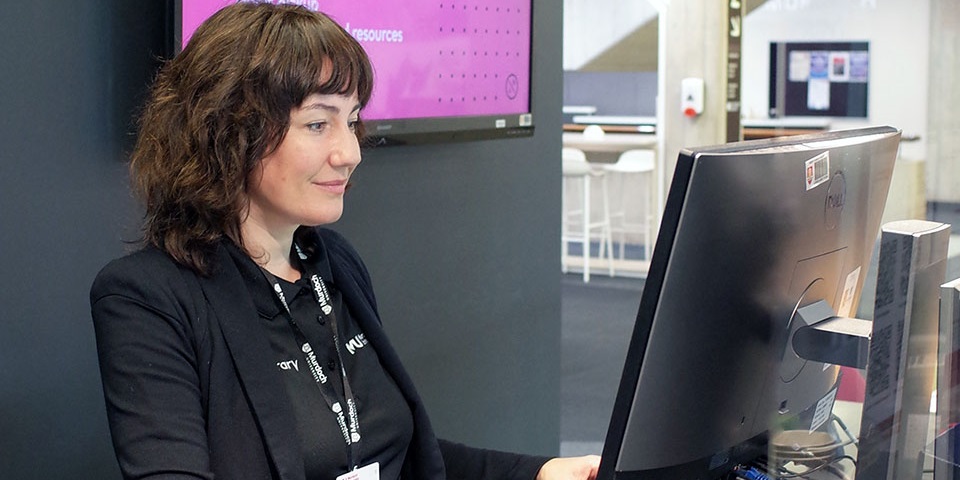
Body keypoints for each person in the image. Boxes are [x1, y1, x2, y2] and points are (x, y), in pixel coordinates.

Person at [90, 3, 600, 480]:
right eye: (318, 123)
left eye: (351, 121)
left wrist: (536, 472)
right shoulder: (148, 299)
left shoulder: (334, 264)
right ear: (228, 133)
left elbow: (394, 454)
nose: (349, 151)